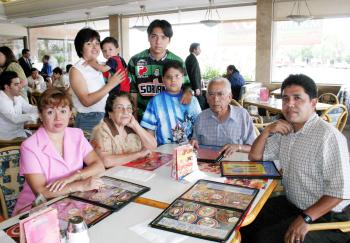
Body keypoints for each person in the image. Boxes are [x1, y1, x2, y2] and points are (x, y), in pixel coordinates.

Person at [242, 74, 350, 243]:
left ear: (313, 103)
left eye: (297, 98)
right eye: (285, 99)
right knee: (245, 220)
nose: (289, 104)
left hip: (328, 215)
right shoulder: (286, 131)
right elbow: (255, 156)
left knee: (266, 239)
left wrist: (306, 218)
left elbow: (339, 192)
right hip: (294, 204)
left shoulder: (329, 137)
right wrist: (267, 130)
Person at [13, 88, 105, 216]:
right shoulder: (29, 146)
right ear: (40, 115)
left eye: (63, 111)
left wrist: (75, 177)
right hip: (37, 210)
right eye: (50, 112)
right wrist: (80, 185)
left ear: (70, 113)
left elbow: (99, 166)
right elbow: (41, 192)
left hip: (72, 202)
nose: (58, 118)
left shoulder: (77, 135)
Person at [128, 19, 192, 120]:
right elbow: (132, 92)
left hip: (170, 117)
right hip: (143, 116)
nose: (158, 42)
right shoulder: (135, 61)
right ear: (148, 38)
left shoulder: (177, 61)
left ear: (169, 40)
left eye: (163, 37)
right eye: (154, 36)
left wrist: (188, 92)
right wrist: (134, 118)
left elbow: (186, 85)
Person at [69, 28, 125, 133]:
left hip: (106, 116)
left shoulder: (101, 64)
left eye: (97, 43)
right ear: (80, 48)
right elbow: (86, 101)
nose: (95, 47)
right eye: (89, 44)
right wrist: (110, 85)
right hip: (88, 119)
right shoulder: (76, 70)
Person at [190, 77, 255, 156]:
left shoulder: (242, 116)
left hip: (234, 164)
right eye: (211, 94)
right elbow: (195, 141)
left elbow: (254, 147)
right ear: (207, 98)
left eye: (220, 94)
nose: (215, 99)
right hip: (207, 164)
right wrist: (194, 142)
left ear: (229, 97)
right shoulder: (201, 118)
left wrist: (239, 147)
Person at [141, 60, 201, 145]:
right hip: (164, 151)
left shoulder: (192, 100)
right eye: (169, 77)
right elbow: (150, 130)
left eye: (177, 76)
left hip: (189, 151)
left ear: (183, 78)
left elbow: (200, 125)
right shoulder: (155, 101)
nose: (173, 80)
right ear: (163, 79)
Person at [91, 92, 157, 168]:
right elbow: (105, 161)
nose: (125, 112)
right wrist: (138, 154)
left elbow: (153, 146)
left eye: (129, 108)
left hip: (133, 172)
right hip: (110, 176)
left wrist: (136, 126)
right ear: (110, 112)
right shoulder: (100, 130)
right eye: (119, 107)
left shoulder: (132, 127)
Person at [0, 71, 38, 140]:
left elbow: (29, 108)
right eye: (16, 84)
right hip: (8, 140)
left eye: (19, 83)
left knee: (44, 136)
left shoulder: (16, 97)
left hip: (20, 133)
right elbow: (15, 118)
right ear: (7, 87)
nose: (20, 86)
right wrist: (38, 114)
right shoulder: (1, 99)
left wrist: (43, 109)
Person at [185, 42, 206, 109]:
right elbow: (194, 74)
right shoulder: (192, 59)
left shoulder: (190, 58)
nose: (200, 50)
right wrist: (197, 87)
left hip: (192, 86)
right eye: (199, 49)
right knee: (200, 103)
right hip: (193, 87)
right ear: (194, 49)